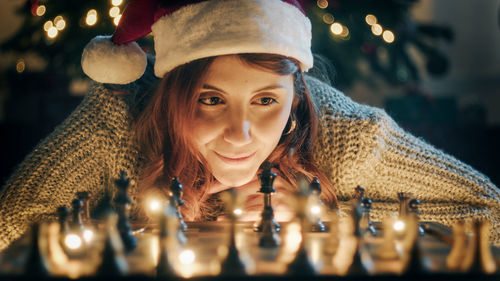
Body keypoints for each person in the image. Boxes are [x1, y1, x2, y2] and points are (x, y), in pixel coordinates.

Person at [0, 0, 499, 251]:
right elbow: (9, 228)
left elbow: (490, 212)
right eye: (211, 99)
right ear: (171, 94)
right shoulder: (119, 121)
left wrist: (323, 209)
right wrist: (146, 215)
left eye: (265, 100)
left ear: (297, 98)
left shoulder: (349, 135)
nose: (241, 134)